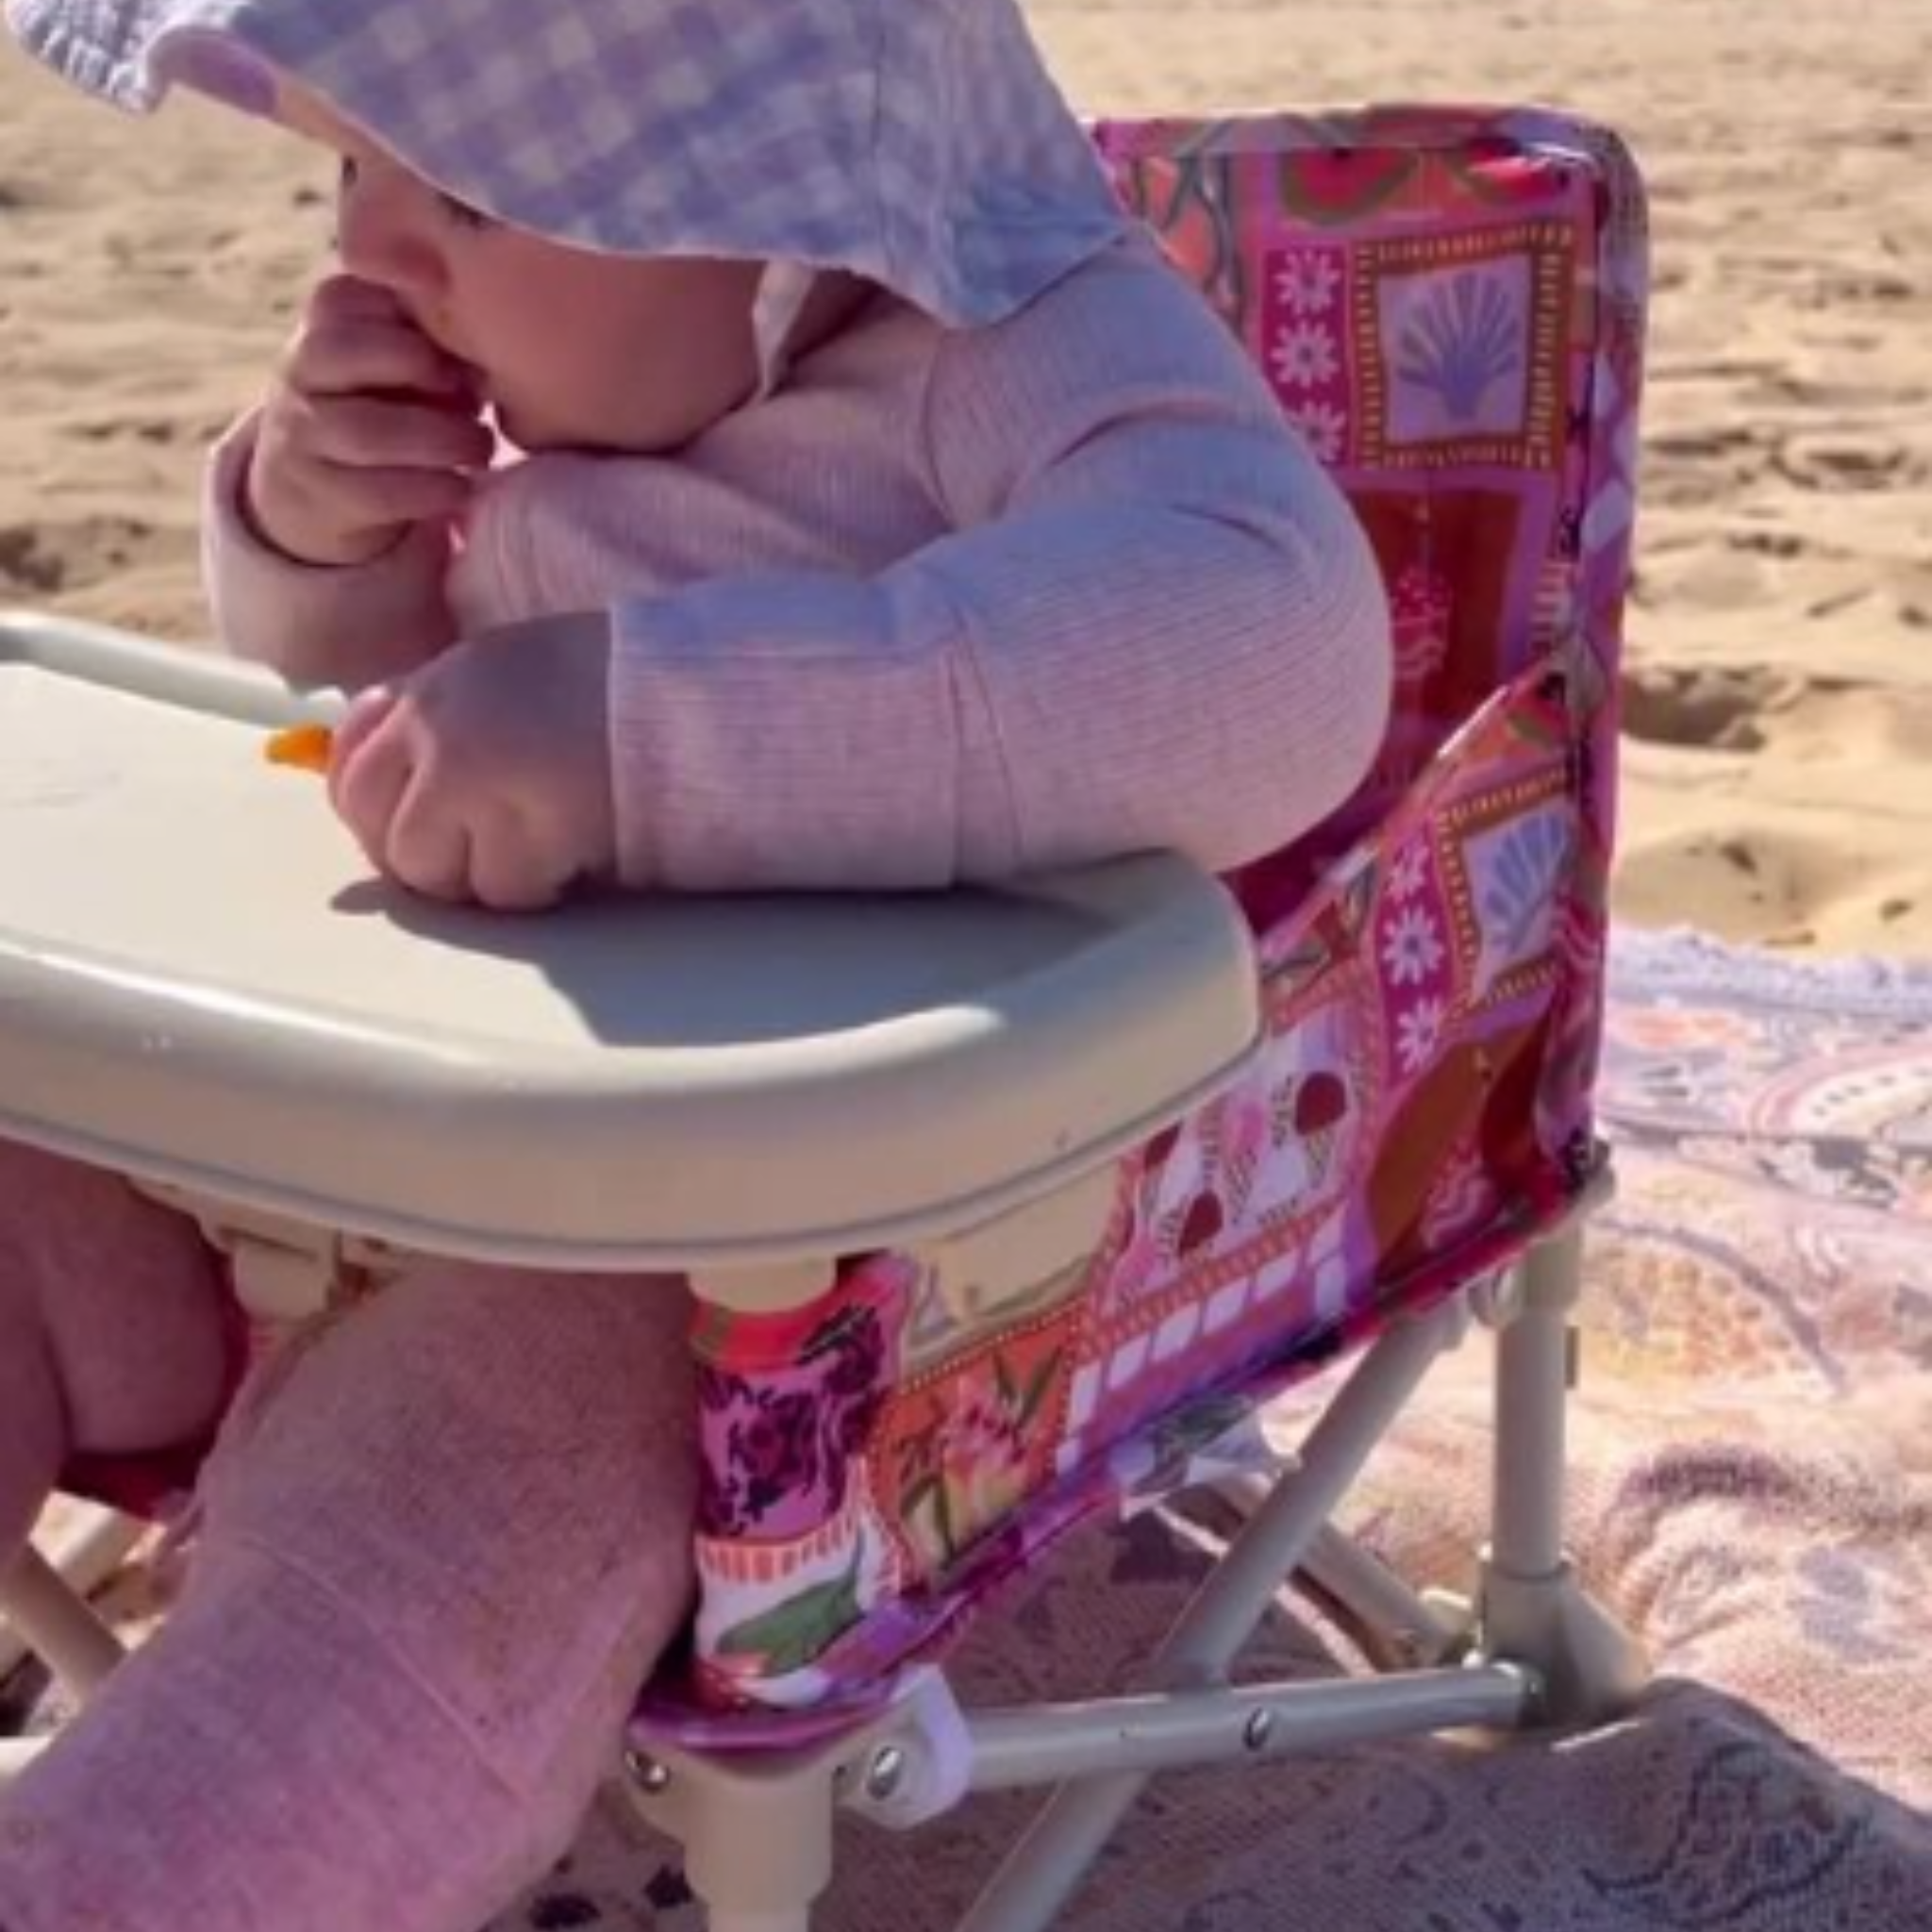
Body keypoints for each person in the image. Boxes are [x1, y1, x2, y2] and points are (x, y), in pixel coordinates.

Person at [0, 1, 1393, 1925]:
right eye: (350, 170)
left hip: (685, 1268)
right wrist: (310, 530)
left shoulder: (1000, 346)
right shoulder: (560, 362)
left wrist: (649, 735)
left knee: (419, 1579)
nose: (367, 257)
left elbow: (1273, 649)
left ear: (781, 193)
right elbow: (350, 696)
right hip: (311, 1147)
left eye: (468, 190)